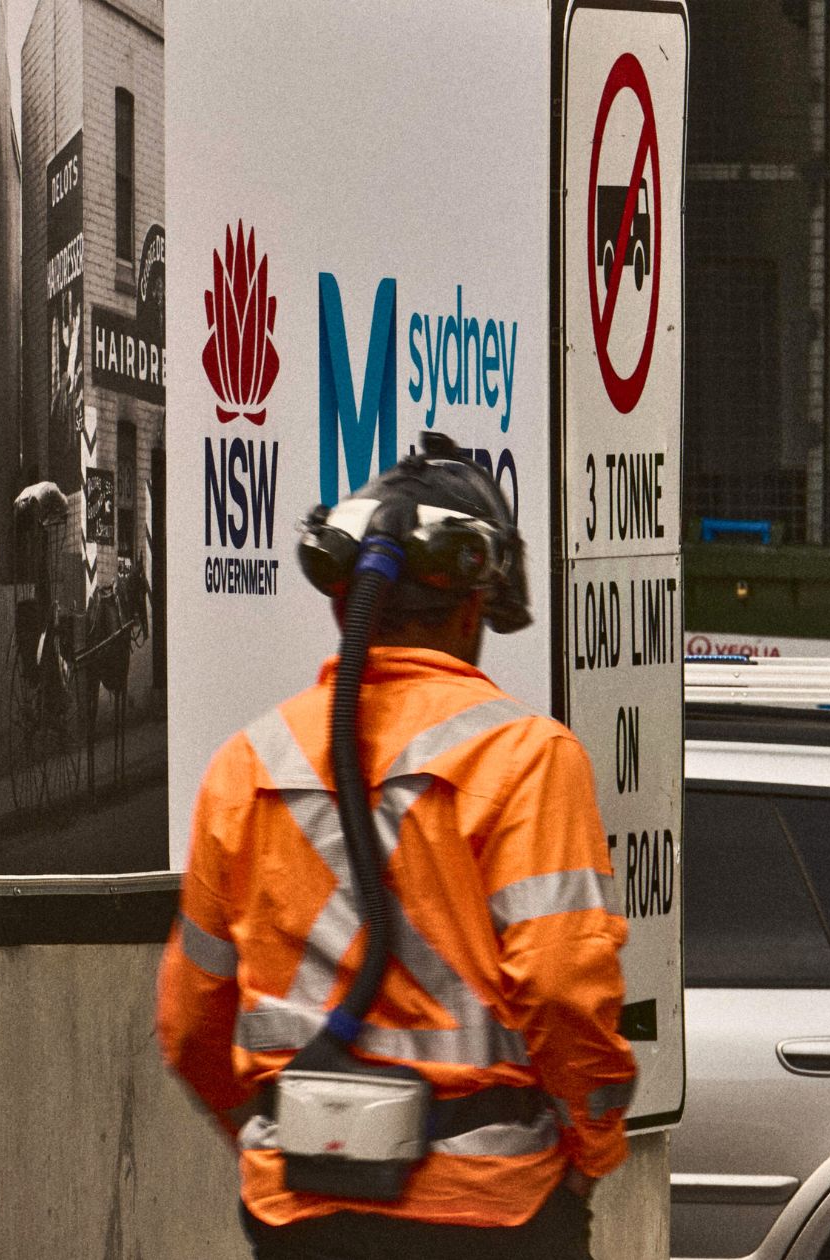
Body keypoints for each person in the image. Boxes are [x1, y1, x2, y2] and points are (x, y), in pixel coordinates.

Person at [156, 440, 637, 1259]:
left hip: (303, 1216)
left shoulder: (248, 764)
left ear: (347, 603)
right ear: (470, 608)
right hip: (488, 1214)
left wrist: (264, 1135)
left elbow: (189, 1019)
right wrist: (592, 1149)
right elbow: (560, 987)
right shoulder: (525, 757)